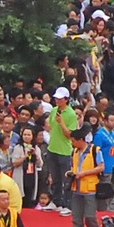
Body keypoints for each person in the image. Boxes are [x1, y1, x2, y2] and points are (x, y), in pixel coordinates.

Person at [69, 127, 104, 227]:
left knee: (90, 217)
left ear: (81, 140)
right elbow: (73, 166)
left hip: (90, 189)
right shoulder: (75, 152)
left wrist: (84, 173)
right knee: (76, 218)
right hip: (76, 187)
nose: (72, 143)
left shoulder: (95, 150)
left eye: (73, 141)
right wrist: (71, 173)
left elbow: (101, 167)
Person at [46, 87, 77, 217]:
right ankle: (56, 201)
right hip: (52, 148)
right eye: (56, 98)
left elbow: (70, 134)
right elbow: (50, 126)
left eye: (60, 98)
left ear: (66, 99)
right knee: (55, 178)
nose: (57, 100)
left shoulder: (71, 114)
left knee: (66, 180)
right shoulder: (54, 110)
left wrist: (62, 123)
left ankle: (68, 205)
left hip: (64, 151)